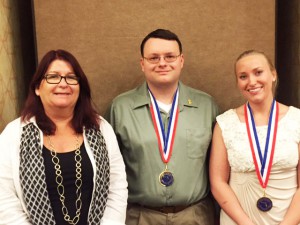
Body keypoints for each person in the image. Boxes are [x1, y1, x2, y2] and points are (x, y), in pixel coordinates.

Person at [0, 49, 128, 225]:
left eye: (71, 77)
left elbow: (117, 187)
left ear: (79, 86)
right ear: (37, 87)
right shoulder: (14, 134)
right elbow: (4, 198)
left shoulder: (101, 129)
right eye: (53, 76)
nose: (63, 83)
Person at [105, 29, 219, 225]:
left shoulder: (206, 106)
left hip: (195, 216)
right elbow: (108, 170)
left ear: (181, 60)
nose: (162, 63)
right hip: (139, 217)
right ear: (142, 63)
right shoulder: (120, 107)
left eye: (170, 56)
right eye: (153, 58)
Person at [209, 50, 300, 225]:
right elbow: (218, 182)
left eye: (258, 72)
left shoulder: (297, 120)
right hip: (238, 221)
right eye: (243, 76)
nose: (252, 81)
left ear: (273, 75)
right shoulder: (225, 123)